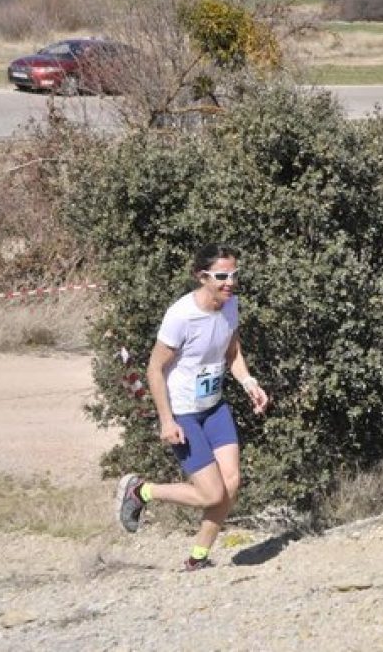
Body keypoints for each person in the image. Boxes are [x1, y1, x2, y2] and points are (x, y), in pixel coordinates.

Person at [115, 243, 269, 571]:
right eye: (222, 276)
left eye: (234, 275)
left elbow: (233, 353)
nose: (230, 282)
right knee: (212, 494)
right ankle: (141, 492)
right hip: (184, 411)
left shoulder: (231, 306)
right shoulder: (181, 316)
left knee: (230, 484)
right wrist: (166, 420)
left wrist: (249, 383)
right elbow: (154, 369)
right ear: (202, 277)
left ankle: (197, 558)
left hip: (214, 407)